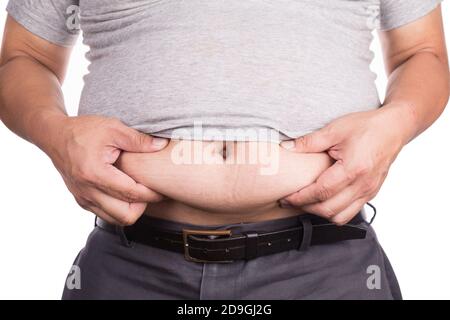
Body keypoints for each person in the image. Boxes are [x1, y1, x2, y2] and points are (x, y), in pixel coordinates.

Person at [0, 0, 448, 300]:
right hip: (131, 268)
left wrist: (396, 123)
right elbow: (24, 57)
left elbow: (422, 52)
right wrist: (56, 133)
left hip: (327, 270)